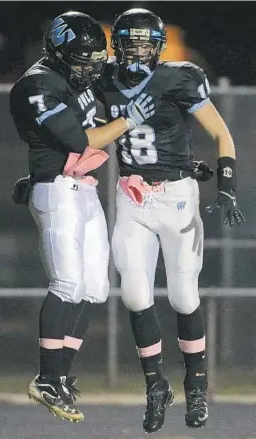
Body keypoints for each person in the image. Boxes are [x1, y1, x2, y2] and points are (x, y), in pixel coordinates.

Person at [95, 8, 245, 434]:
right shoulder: (102, 77)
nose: (138, 49)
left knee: (182, 296)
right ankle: (155, 385)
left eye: (146, 42)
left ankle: (195, 385)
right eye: (130, 40)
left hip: (178, 195)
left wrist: (227, 185)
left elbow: (221, 133)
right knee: (134, 294)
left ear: (159, 46)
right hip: (132, 195)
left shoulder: (180, 77)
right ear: (117, 43)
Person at [9, 10, 152, 423]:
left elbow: (121, 71)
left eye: (94, 59)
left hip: (83, 187)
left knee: (94, 289)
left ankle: (61, 375)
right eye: (82, 61)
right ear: (56, 53)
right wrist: (127, 120)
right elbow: (77, 139)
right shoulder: (38, 85)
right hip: (56, 188)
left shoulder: (75, 71)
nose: (90, 68)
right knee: (68, 283)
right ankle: (47, 378)